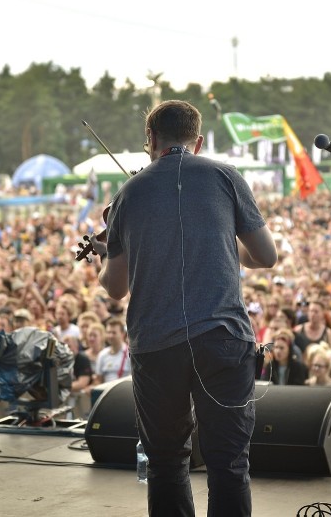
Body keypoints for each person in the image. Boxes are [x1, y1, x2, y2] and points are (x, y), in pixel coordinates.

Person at [91, 100, 277, 517]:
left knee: (166, 463)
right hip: (223, 341)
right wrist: (228, 245)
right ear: (198, 141)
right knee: (229, 463)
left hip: (157, 347)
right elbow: (265, 257)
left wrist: (105, 256)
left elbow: (115, 288)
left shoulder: (128, 193)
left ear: (151, 140)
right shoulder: (226, 176)